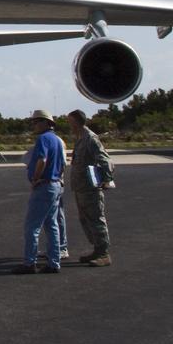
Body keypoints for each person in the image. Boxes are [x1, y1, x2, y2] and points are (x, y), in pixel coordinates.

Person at [14, 109, 65, 274]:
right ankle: (54, 262)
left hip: (44, 186)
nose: (33, 125)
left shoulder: (43, 139)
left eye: (36, 122)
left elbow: (41, 160)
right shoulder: (57, 140)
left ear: (45, 123)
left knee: (32, 227)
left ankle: (30, 263)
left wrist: (36, 179)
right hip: (56, 184)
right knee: (52, 225)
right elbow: (63, 163)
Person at [68, 109, 115, 267]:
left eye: (70, 122)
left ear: (76, 122)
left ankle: (104, 253)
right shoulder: (80, 138)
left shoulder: (90, 138)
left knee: (96, 219)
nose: (69, 126)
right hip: (81, 187)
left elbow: (105, 160)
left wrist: (107, 179)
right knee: (86, 219)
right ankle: (97, 249)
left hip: (90, 188)